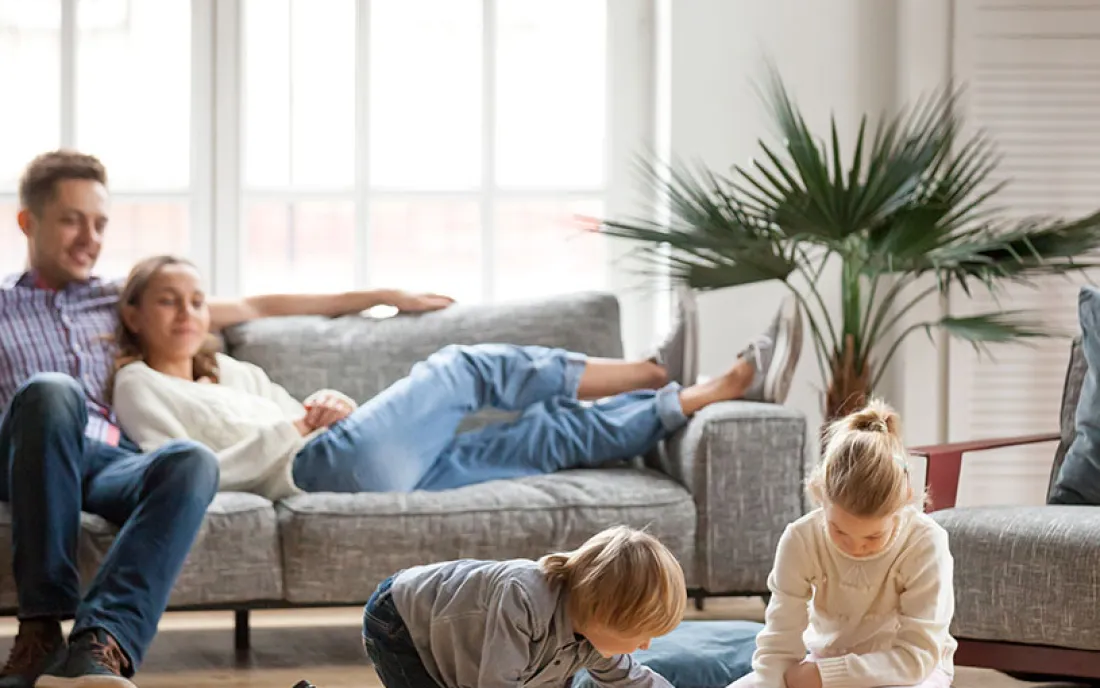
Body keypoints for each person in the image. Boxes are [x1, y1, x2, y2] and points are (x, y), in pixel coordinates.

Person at [0, 150, 453, 688]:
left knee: (188, 459)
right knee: (53, 390)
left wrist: (381, 296)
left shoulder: (116, 299)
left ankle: (99, 646)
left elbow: (256, 305)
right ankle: (40, 629)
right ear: (28, 222)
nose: (88, 237)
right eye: (71, 220)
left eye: (99, 223)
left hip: (107, 460)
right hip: (30, 452)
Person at [109, 255, 803, 498]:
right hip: (314, 469)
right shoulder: (138, 385)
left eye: (196, 300)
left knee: (544, 437)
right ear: (134, 314)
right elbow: (179, 470)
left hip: (353, 456)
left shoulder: (231, 369)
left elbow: (305, 410)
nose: (187, 312)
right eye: (168, 300)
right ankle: (652, 369)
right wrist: (297, 427)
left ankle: (701, 393)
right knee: (465, 367)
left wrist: (326, 403)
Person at [277, 526, 778, 688]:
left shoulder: (593, 639)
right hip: (403, 625)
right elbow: (498, 684)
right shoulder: (524, 596)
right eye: (639, 633)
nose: (645, 647)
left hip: (454, 655)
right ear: (602, 610)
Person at [709, 400, 966, 688]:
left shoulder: (927, 542)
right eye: (839, 531)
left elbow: (916, 657)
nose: (855, 547)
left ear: (906, 501)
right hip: (826, 665)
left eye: (873, 538)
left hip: (909, 673)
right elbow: (779, 641)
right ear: (819, 494)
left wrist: (824, 676)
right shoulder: (800, 537)